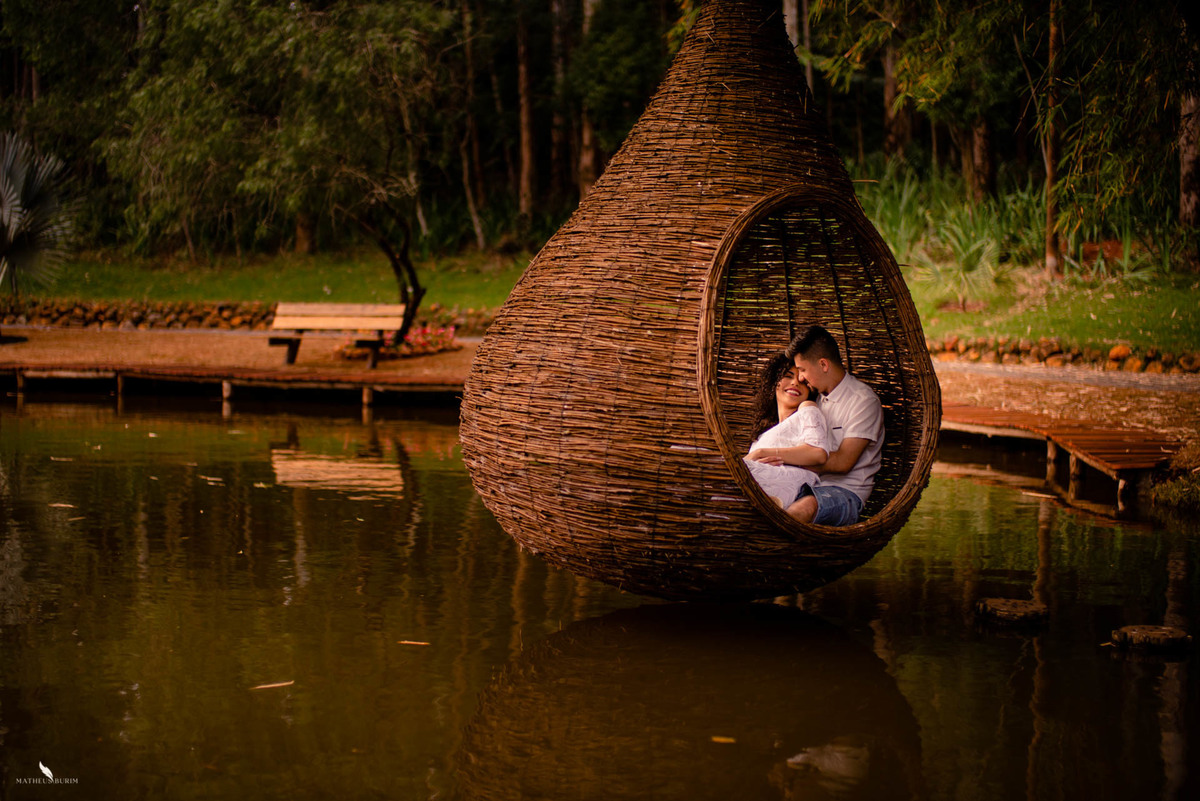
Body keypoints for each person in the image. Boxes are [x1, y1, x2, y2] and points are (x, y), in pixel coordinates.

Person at [782, 325, 884, 526]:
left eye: (802, 370)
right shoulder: (815, 400)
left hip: (846, 494)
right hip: (808, 483)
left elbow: (842, 462)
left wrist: (780, 456)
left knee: (803, 508)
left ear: (823, 364)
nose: (800, 378)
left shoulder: (863, 401)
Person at [743, 353, 830, 509]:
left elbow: (818, 453)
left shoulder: (807, 408)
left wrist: (761, 453)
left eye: (802, 381)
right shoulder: (764, 432)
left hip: (794, 485)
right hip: (759, 481)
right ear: (775, 382)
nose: (795, 383)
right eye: (788, 376)